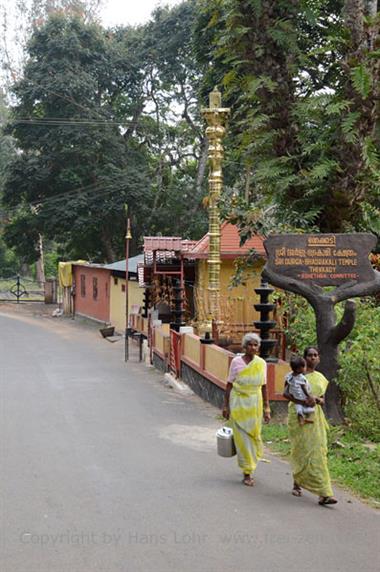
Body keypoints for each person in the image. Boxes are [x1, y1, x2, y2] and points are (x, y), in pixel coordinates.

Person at [284, 346, 338, 506]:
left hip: (315, 419)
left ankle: (324, 493)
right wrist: (302, 401)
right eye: (310, 355)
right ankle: (297, 484)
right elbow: (286, 394)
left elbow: (322, 400)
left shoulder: (321, 378)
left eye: (315, 355)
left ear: (319, 358)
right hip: (298, 417)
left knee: (317, 453)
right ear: (304, 358)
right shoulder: (293, 377)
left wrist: (316, 400)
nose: (313, 358)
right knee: (300, 450)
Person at [222, 333, 271, 487]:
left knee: (253, 437)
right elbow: (229, 384)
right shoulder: (236, 362)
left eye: (255, 345)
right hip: (238, 404)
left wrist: (267, 408)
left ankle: (250, 466)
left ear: (258, 347)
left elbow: (264, 386)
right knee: (242, 440)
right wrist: (226, 406)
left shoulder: (261, 363)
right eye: (250, 344)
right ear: (244, 346)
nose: (253, 347)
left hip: (255, 405)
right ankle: (247, 472)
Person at [285, 356, 315, 425]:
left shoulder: (289, 376)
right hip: (302, 396)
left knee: (299, 410)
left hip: (295, 396)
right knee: (310, 408)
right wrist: (309, 396)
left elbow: (287, 386)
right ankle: (308, 418)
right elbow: (303, 388)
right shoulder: (301, 378)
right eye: (304, 367)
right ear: (298, 369)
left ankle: (301, 420)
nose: (305, 368)